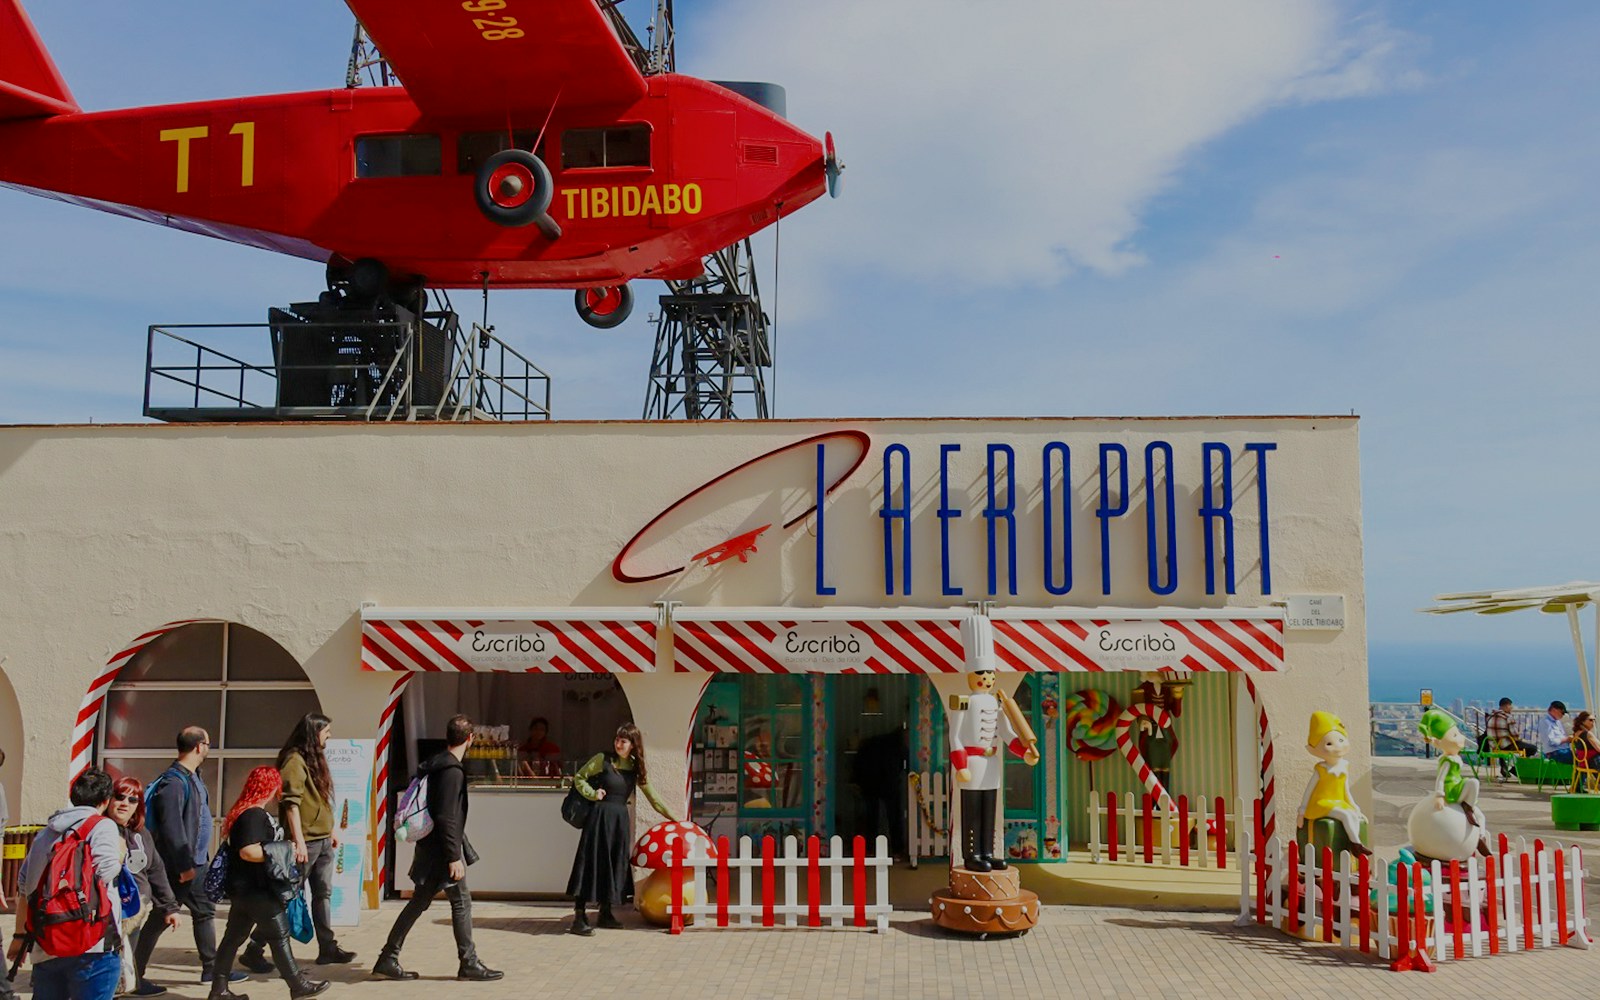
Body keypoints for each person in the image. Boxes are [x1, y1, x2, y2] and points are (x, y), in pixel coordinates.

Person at [372, 715, 500, 983]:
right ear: (470, 738)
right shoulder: (451, 771)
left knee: (421, 902)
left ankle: (388, 957)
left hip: (432, 847)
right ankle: (469, 963)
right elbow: (445, 816)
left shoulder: (435, 764)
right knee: (461, 902)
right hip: (441, 851)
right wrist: (454, 857)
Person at [239, 715, 353, 974]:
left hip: (321, 840)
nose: (329, 736)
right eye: (326, 731)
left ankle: (328, 947)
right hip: (306, 843)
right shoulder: (294, 761)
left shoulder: (314, 760)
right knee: (286, 896)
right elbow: (290, 804)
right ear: (313, 733)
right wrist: (298, 841)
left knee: (323, 894)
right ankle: (253, 949)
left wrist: (331, 829)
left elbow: (321, 800)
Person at [207, 767, 328, 1000]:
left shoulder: (243, 812)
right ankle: (298, 986)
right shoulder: (253, 815)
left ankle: (219, 989)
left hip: (243, 890)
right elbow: (248, 852)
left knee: (232, 938)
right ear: (270, 788)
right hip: (257, 891)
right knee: (279, 935)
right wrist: (286, 848)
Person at [135, 727, 244, 987]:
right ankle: (134, 974)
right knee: (161, 917)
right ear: (199, 747)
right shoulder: (173, 782)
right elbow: (172, 827)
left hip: (195, 864)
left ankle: (211, 970)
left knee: (204, 911)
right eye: (208, 744)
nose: (209, 748)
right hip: (179, 865)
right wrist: (184, 865)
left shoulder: (192, 777)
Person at [7, 767, 124, 1000]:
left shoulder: (45, 833)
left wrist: (19, 936)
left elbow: (24, 886)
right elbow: (106, 870)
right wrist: (120, 852)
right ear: (105, 800)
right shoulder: (102, 826)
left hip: (47, 943)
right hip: (92, 944)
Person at [566, 723, 675, 936]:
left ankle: (605, 913)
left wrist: (674, 818)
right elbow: (579, 777)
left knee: (613, 865)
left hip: (619, 822)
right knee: (591, 864)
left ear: (633, 745)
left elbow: (653, 797)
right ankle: (579, 916)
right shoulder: (602, 759)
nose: (618, 744)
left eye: (623, 741)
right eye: (617, 739)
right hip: (599, 819)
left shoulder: (635, 767)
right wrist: (592, 793)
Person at [108, 777, 181, 999]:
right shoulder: (102, 830)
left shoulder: (141, 834)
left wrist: (170, 907)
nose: (125, 804)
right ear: (109, 799)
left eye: (132, 800)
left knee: (125, 965)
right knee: (107, 971)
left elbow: (156, 870)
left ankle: (133, 984)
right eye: (120, 797)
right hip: (106, 915)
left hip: (134, 913)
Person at [1484, 698, 1536, 776]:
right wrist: (1520, 739)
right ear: (1507, 706)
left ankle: (1504, 766)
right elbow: (1515, 735)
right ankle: (1516, 768)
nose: (1511, 708)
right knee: (1532, 748)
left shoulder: (1489, 717)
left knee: (1502, 746)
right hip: (1506, 745)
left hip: (1493, 745)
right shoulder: (1507, 717)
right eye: (1510, 706)